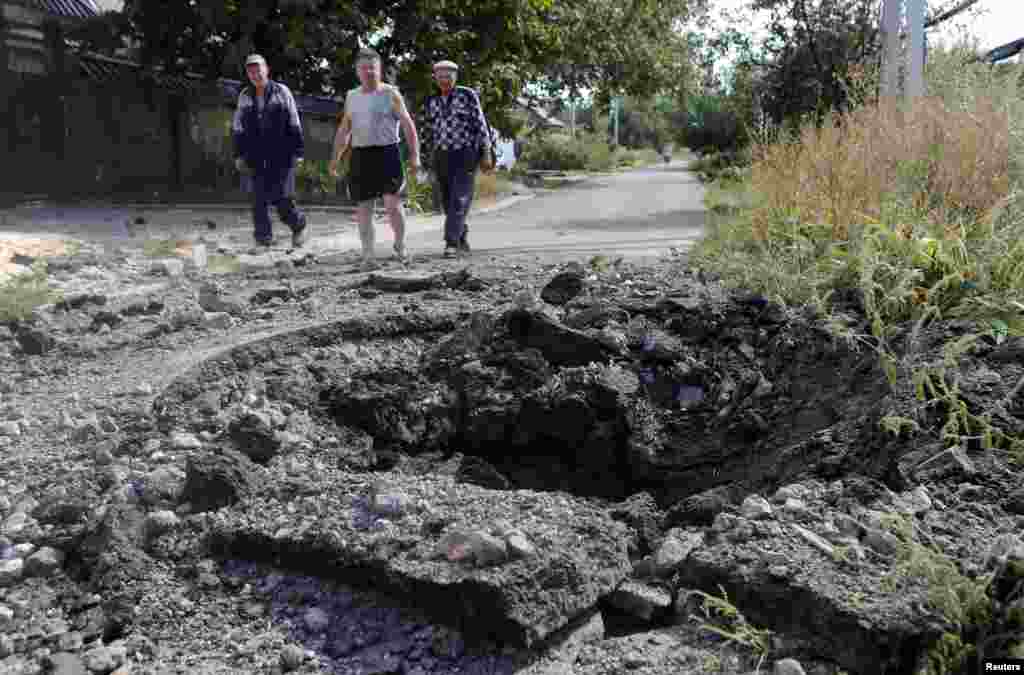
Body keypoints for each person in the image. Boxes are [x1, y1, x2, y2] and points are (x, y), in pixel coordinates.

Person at [330, 48, 420, 270]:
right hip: (361, 155)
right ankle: (368, 256)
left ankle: (400, 246)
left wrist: (415, 155)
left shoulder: (391, 94)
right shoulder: (352, 96)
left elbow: (408, 125)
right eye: (364, 68)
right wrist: (335, 158)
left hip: (388, 153)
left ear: (379, 70)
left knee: (392, 204)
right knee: (364, 208)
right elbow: (344, 130)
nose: (368, 71)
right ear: (357, 71)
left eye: (373, 67)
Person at [232, 54, 309, 252]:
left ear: (266, 69)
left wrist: (298, 152)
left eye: (258, 69)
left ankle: (298, 225)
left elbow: (294, 121)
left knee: (281, 198)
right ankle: (263, 240)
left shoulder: (282, 91)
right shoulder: (245, 96)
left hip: (281, 153)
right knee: (258, 198)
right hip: (255, 154)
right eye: (250, 71)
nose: (255, 74)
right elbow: (238, 127)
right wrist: (239, 154)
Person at [419, 59, 496, 258]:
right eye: (441, 76)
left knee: (459, 199)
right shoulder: (430, 100)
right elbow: (426, 131)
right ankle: (461, 236)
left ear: (455, 77)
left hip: (465, 153)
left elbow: (480, 123)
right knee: (446, 201)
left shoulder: (467, 95)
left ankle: (451, 243)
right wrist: (424, 159)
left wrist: (486, 151)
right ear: (435, 77)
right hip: (442, 155)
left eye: (449, 76)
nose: (445, 80)